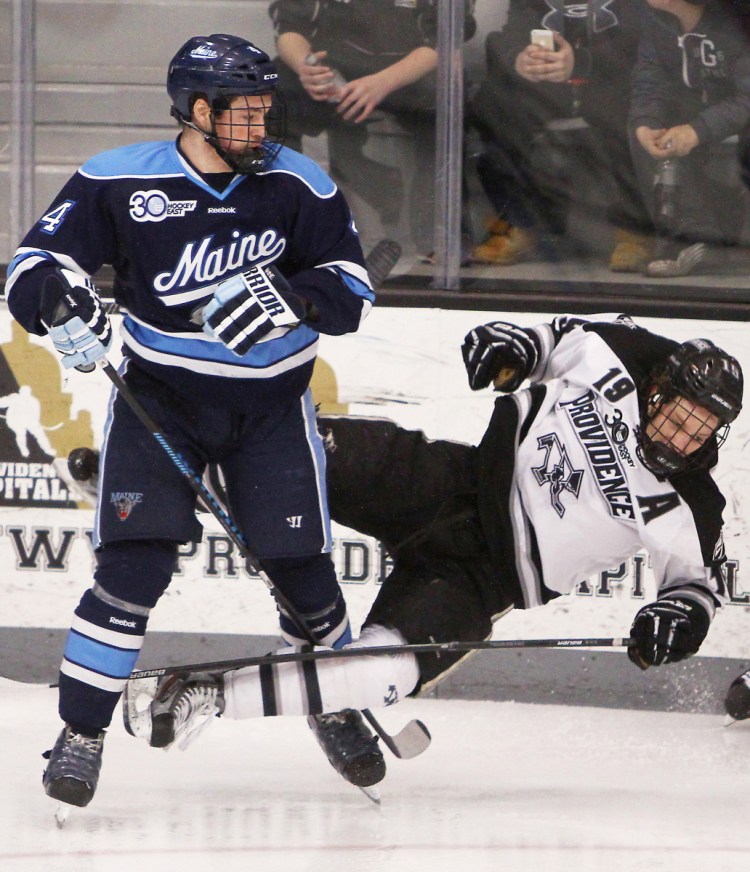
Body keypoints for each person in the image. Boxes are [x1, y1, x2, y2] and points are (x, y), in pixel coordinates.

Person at [4, 33, 379, 810]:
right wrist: (55, 301)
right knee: (132, 570)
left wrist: (295, 297)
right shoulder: (117, 180)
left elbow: (351, 288)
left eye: (266, 112)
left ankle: (335, 701)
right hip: (161, 405)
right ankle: (80, 733)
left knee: (303, 572)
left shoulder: (297, 184)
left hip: (271, 409)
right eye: (244, 115)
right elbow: (33, 263)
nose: (261, 129)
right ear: (196, 111)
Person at [120, 313, 743, 769]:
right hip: (450, 482)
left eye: (701, 430)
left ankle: (205, 692)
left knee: (376, 672)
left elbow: (695, 590)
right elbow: (547, 343)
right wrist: (509, 347)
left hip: (480, 580)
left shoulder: (693, 504)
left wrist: (675, 620)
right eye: (677, 416)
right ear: (659, 388)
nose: (682, 437)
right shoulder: (623, 352)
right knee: (303, 454)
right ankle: (157, 463)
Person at [268, 0, 476, 258]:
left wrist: (381, 83)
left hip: (411, 72)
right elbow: (290, 27)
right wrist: (306, 68)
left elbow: (446, 40)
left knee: (447, 99)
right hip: (332, 69)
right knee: (273, 95)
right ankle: (278, 224)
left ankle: (437, 234)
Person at [468, 0, 654, 270]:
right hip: (550, 84)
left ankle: (635, 230)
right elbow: (512, 33)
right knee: (493, 106)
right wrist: (518, 59)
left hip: (615, 81)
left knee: (626, 113)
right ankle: (520, 221)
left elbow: (649, 41)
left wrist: (581, 62)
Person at [629, 0, 750, 277]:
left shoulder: (737, 20)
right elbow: (648, 82)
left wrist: (698, 130)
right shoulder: (656, 21)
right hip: (695, 111)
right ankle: (688, 233)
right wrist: (645, 124)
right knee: (646, 129)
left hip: (733, 113)